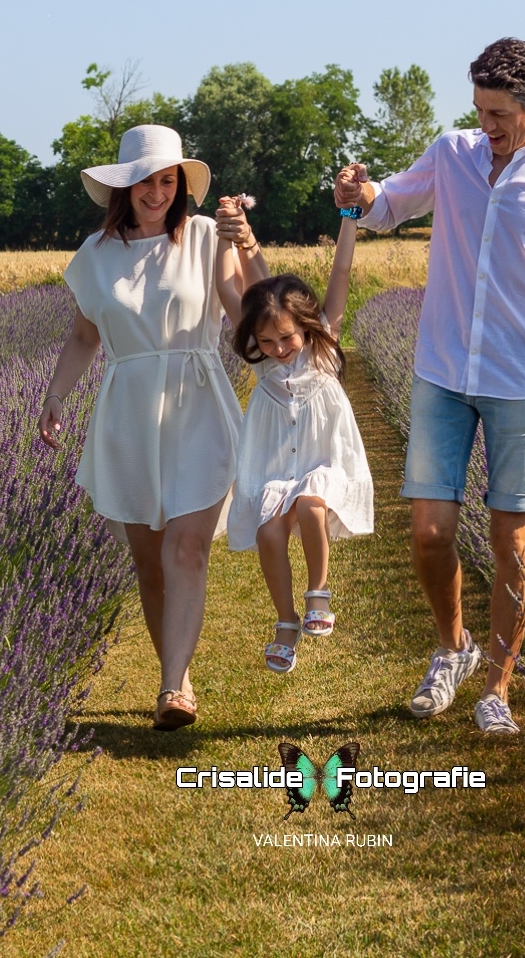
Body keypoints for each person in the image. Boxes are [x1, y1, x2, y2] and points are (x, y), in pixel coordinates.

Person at [334, 38, 525, 734]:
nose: (488, 126)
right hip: (442, 371)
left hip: (521, 382)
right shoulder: (452, 155)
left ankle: (498, 686)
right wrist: (359, 197)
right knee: (428, 532)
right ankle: (454, 650)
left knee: (514, 542)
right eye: (479, 110)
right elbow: (388, 208)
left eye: (500, 113)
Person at [39, 124, 266, 731]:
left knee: (185, 549)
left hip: (198, 403)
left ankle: (171, 689)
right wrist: (56, 396)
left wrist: (247, 247)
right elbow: (86, 334)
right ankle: (179, 670)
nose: (158, 191)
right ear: (123, 186)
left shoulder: (202, 238)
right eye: (146, 180)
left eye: (168, 180)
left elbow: (249, 311)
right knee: (148, 562)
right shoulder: (96, 254)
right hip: (127, 413)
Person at [215, 181, 375, 674]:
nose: (280, 349)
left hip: (322, 456)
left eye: (286, 339)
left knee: (311, 503)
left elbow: (342, 269)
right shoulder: (263, 357)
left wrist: (350, 214)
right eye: (267, 341)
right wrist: (228, 238)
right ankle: (285, 621)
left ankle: (318, 594)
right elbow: (230, 287)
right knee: (267, 532)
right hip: (273, 457)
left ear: (304, 327)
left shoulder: (321, 343)